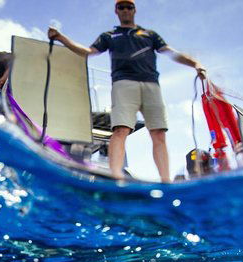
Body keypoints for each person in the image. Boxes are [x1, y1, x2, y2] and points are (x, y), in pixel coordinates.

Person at [47, 0, 207, 182]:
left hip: (151, 85)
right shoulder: (109, 35)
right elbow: (87, 52)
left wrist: (196, 64)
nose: (125, 10)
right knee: (121, 129)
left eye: (128, 7)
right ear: (116, 11)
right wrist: (61, 38)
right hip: (123, 83)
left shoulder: (150, 34)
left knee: (158, 132)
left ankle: (165, 181)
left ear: (134, 10)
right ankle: (116, 177)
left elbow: (171, 52)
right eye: (121, 7)